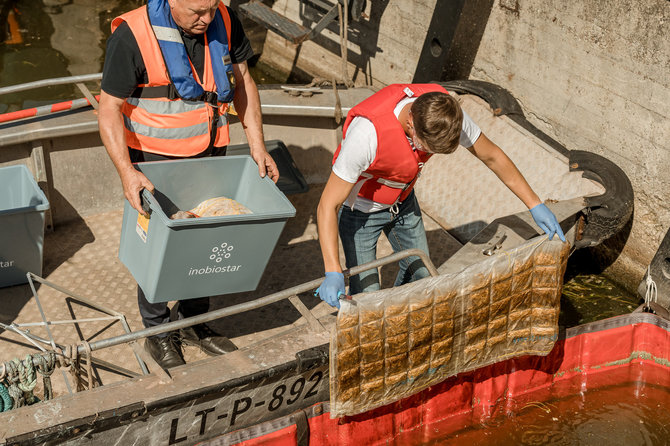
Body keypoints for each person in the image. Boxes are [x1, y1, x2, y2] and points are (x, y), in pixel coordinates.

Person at [98, 0, 279, 369]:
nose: (207, 19)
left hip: (212, 153)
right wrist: (126, 172)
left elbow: (243, 80)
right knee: (162, 250)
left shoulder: (225, 19)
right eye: (197, 12)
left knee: (209, 240)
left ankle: (194, 323)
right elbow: (108, 109)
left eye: (211, 8)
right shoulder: (132, 34)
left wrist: (257, 143)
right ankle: (158, 333)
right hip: (156, 163)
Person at [316, 83, 565, 308]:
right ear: (411, 122)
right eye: (425, 147)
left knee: (423, 276)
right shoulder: (366, 136)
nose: (426, 153)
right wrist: (333, 270)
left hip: (403, 202)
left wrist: (535, 204)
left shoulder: (446, 111)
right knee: (367, 296)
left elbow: (492, 156)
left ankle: (398, 314)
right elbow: (328, 205)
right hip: (361, 212)